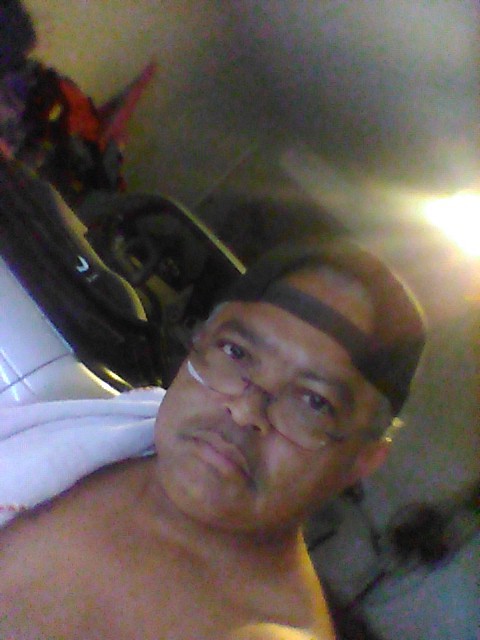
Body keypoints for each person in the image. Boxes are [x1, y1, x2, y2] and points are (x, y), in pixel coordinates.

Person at [0, 239, 425, 640]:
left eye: (314, 402)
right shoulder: (92, 436)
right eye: (236, 353)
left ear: (361, 462)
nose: (245, 411)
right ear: (196, 344)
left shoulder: (262, 630)